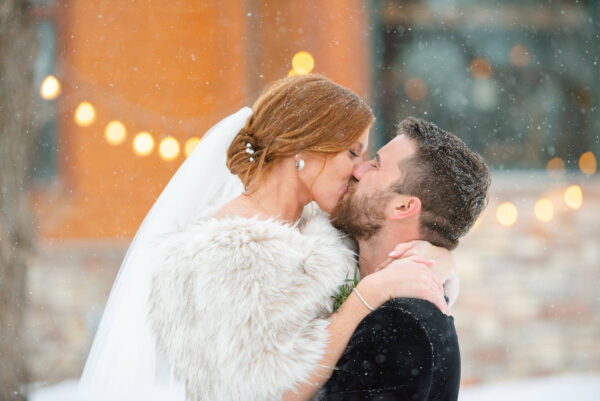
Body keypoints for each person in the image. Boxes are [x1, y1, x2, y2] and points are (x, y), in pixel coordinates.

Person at [77, 75, 451, 401]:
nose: (358, 171)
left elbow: (409, 260)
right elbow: (267, 391)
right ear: (303, 148)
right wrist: (364, 298)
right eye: (352, 151)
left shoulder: (321, 228)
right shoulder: (217, 254)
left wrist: (435, 256)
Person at [321, 117, 491, 400]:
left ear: (403, 206)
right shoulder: (380, 293)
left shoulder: (402, 324)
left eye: (374, 164)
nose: (357, 169)